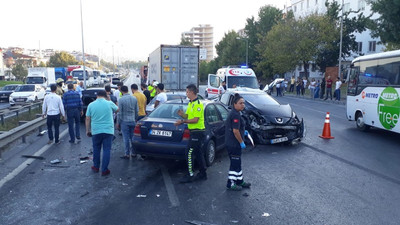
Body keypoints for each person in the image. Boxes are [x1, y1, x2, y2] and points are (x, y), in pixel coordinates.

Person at [174, 84, 207, 183]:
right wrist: (182, 115)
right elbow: (187, 116)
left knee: (188, 152)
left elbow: (195, 120)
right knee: (198, 153)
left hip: (198, 132)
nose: (186, 93)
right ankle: (203, 173)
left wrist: (182, 122)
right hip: (193, 132)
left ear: (192, 92)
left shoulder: (198, 104)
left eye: (187, 92)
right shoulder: (190, 103)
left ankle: (190, 174)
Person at [86, 90, 118, 176]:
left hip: (96, 131)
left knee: (96, 149)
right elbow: (117, 109)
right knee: (106, 150)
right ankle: (104, 170)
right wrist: (109, 100)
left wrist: (87, 130)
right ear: (105, 96)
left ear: (97, 96)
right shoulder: (109, 103)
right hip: (108, 130)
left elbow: (88, 118)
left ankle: (96, 167)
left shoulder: (91, 105)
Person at [225, 93, 251, 191]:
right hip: (234, 144)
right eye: (240, 103)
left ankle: (240, 181)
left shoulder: (237, 113)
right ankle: (230, 183)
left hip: (233, 143)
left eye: (243, 103)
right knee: (234, 163)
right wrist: (241, 142)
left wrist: (243, 131)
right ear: (235, 104)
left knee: (238, 163)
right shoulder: (235, 115)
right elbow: (235, 131)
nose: (243, 105)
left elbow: (238, 129)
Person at [117, 86, 139, 159]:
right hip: (132, 120)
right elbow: (137, 110)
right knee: (133, 137)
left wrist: (118, 123)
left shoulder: (121, 100)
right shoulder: (134, 98)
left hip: (124, 121)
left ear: (121, 91)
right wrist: (135, 118)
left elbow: (119, 113)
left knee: (126, 138)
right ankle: (134, 152)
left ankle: (127, 154)